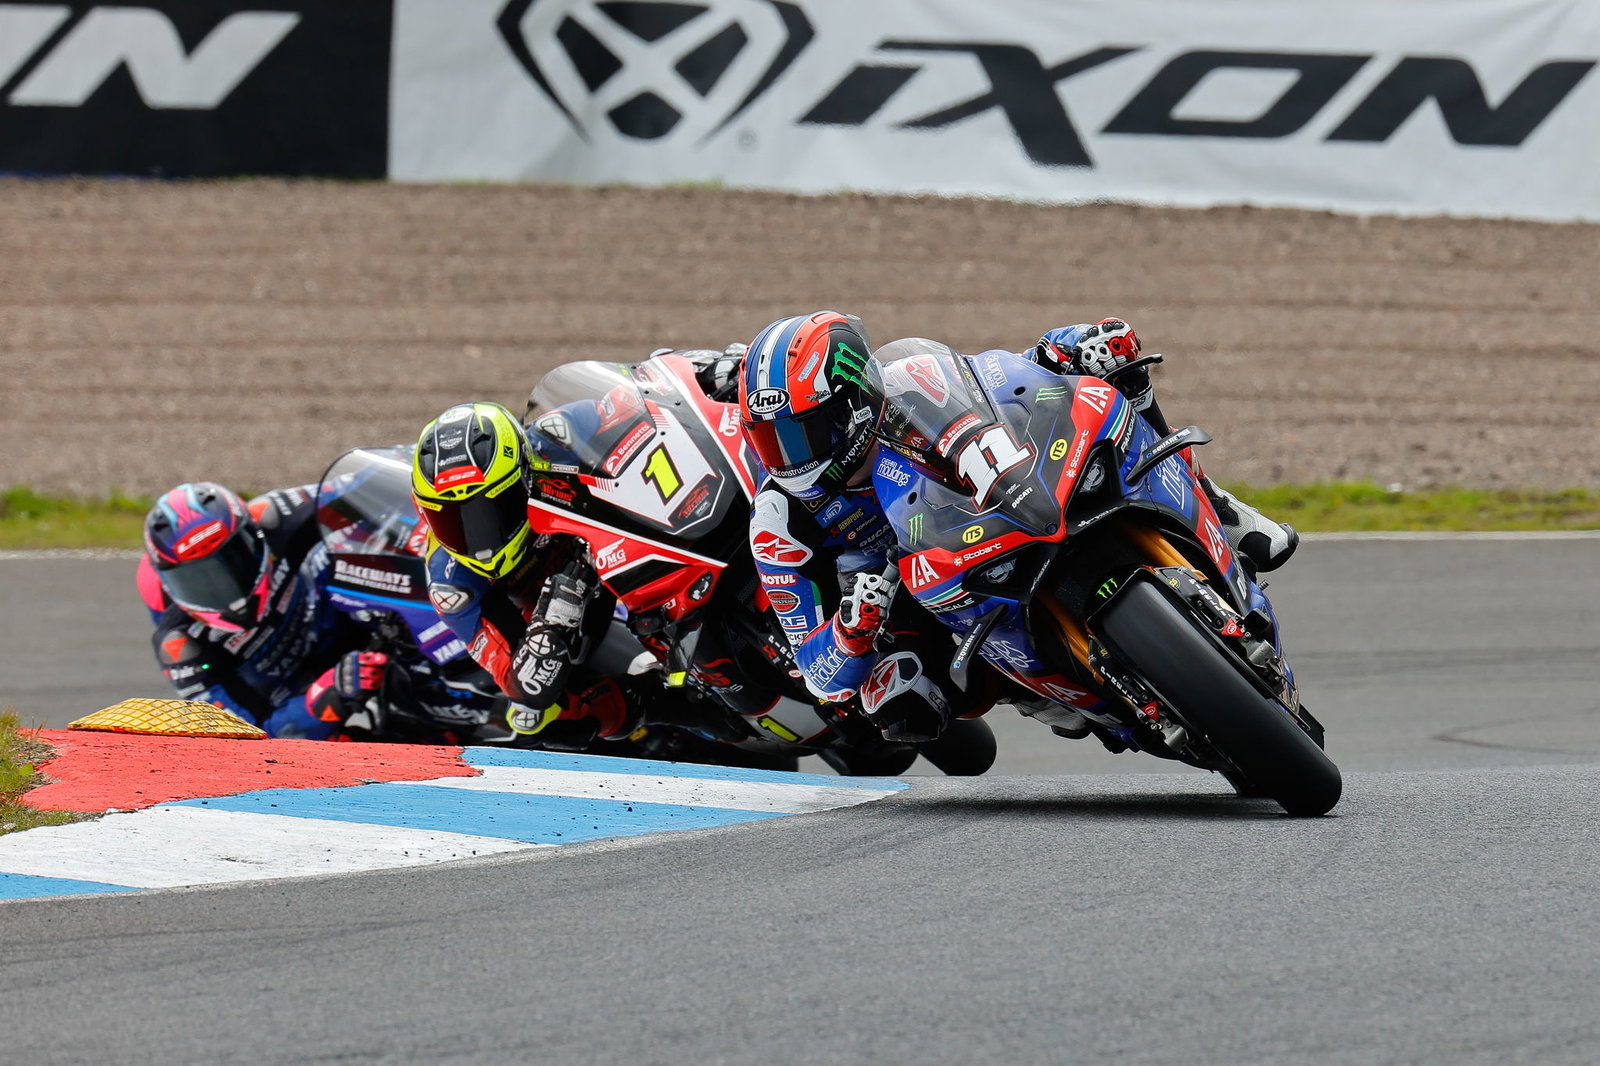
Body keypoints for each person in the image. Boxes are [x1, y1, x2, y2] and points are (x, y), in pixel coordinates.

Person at [737, 311, 1298, 744]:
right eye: (772, 440)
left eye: (805, 432)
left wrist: (1064, 353)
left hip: (1012, 494)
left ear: (855, 399)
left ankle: (1212, 501)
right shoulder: (779, 518)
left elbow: (1001, 379)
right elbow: (819, 672)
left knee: (1104, 354)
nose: (789, 456)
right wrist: (854, 626)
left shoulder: (913, 383)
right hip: (916, 590)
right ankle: (1029, 687)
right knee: (896, 697)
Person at [411, 343, 745, 751]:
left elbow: (644, 394)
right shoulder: (452, 583)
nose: (479, 540)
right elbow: (522, 686)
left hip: (622, 546)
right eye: (453, 520)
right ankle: (697, 715)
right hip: (566, 624)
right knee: (538, 720)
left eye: (489, 512)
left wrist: (714, 371)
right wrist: (551, 626)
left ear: (523, 476)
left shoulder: (557, 434)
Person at [139, 481, 388, 738]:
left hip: (344, 621)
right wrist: (324, 697)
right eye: (198, 580)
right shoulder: (180, 646)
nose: (221, 586)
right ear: (169, 585)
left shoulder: (273, 516)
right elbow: (242, 738)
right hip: (292, 695)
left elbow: (365, 483)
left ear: (253, 535)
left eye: (232, 560)